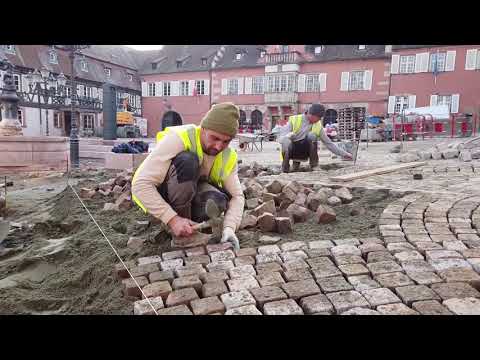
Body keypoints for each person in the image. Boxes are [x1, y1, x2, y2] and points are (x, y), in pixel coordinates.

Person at [131, 102, 245, 249]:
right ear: (203, 129)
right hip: (164, 196)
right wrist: (172, 219)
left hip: (192, 192)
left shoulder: (228, 156)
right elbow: (140, 185)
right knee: (188, 161)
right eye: (214, 138)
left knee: (218, 201)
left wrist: (229, 228)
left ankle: (190, 227)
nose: (218, 146)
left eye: (225, 141)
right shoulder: (179, 138)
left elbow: (237, 196)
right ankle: (179, 233)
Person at [280, 103, 353, 173]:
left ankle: (314, 165)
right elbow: (282, 138)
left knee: (312, 136)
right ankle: (285, 168)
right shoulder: (294, 120)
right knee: (285, 141)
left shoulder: (318, 125)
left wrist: (345, 154)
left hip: (305, 152)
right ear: (310, 114)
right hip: (292, 150)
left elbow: (329, 143)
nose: (319, 120)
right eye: (319, 117)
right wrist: (288, 136)